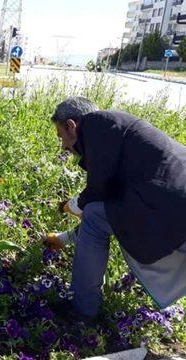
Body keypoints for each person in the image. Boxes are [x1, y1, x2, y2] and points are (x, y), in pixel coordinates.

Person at [44, 97, 186, 321]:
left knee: (92, 214)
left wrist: (71, 205)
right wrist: (64, 238)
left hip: (174, 204)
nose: (63, 146)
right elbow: (112, 210)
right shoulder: (115, 130)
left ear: (72, 125)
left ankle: (83, 309)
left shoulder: (97, 125)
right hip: (173, 201)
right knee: (97, 215)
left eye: (61, 136)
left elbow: (97, 191)